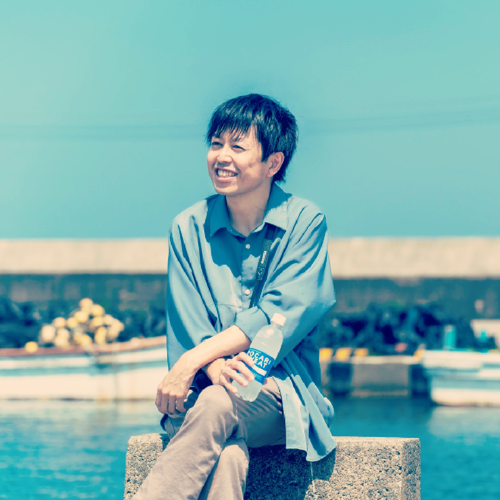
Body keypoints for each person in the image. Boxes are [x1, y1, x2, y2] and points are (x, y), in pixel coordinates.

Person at [133, 94, 336, 500]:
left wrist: (191, 362)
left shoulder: (305, 223)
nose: (221, 157)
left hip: (278, 395)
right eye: (216, 144)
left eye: (237, 147)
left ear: (273, 163)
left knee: (216, 405)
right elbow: (188, 322)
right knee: (224, 452)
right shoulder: (188, 227)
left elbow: (279, 316)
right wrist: (214, 367)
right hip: (205, 393)